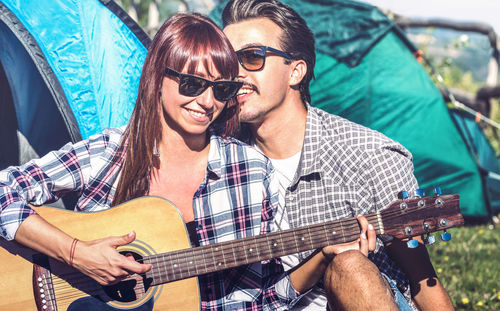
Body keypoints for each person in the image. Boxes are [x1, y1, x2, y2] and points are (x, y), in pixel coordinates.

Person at [0, 12, 309, 310]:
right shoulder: (110, 152)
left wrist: (323, 261)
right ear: (158, 77)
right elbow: (4, 192)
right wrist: (75, 253)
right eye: (192, 84)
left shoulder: (252, 172)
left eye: (221, 89)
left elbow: (265, 297)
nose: (206, 101)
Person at [222, 0, 455, 310]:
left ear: (296, 71)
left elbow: (423, 280)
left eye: (251, 57)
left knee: (349, 267)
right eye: (225, 61)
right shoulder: (217, 158)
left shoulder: (371, 155)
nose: (234, 73)